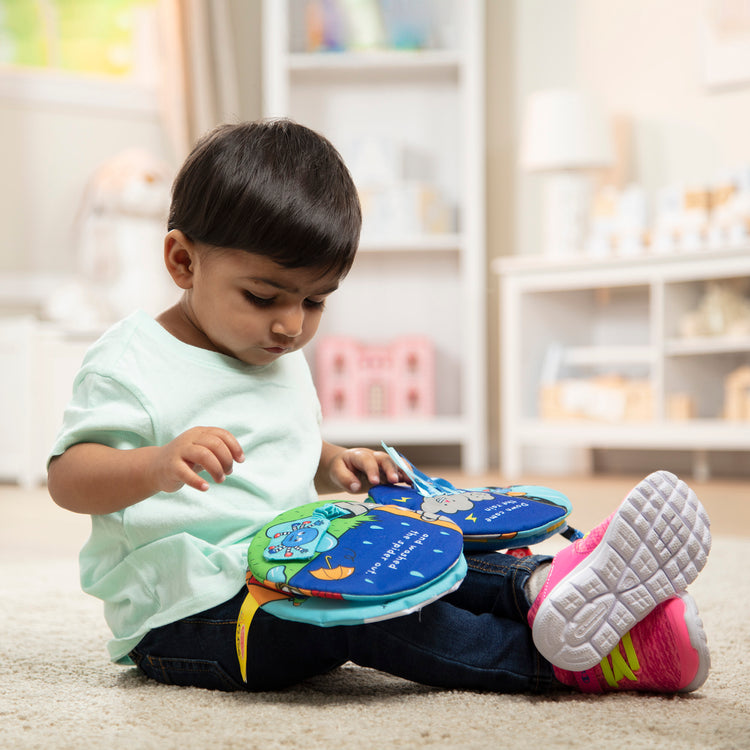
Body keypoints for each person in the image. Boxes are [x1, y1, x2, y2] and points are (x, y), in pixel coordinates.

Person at [48, 118, 712, 695]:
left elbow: (276, 450)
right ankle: (569, 663)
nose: (290, 326)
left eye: (314, 301)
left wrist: (332, 461)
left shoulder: (268, 351)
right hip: (194, 616)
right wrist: (160, 464)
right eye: (264, 296)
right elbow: (70, 477)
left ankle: (545, 586)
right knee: (379, 611)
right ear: (183, 261)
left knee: (411, 547)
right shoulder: (130, 363)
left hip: (287, 560)